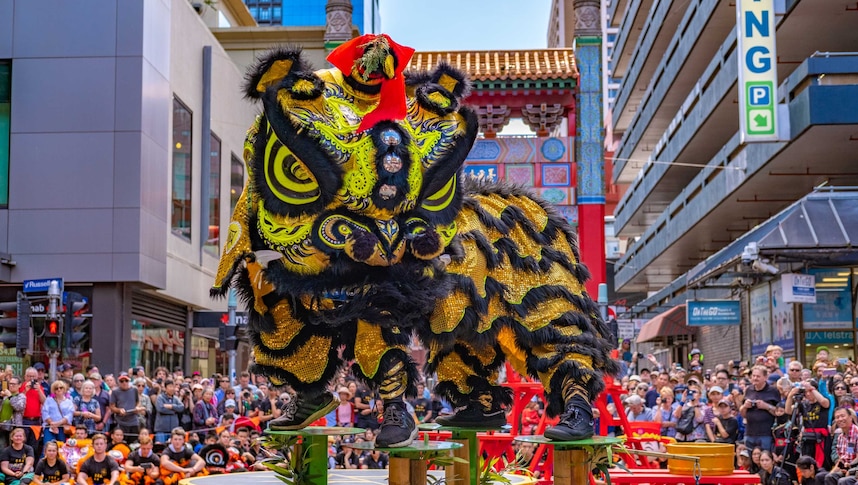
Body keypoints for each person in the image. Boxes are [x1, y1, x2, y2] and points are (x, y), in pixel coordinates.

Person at [211, 35, 618, 448]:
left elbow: (428, 170)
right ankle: (312, 393)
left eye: (381, 71)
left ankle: (569, 401)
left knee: (509, 303)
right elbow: (265, 174)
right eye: (365, 69)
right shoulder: (313, 98)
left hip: (400, 235)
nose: (372, 76)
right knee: (285, 303)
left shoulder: (409, 107)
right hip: (319, 232)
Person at [787, 379, 831, 467]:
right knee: (807, 462)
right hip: (807, 437)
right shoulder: (803, 404)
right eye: (805, 392)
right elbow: (788, 411)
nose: (807, 394)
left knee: (822, 463)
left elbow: (824, 403)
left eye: (809, 391)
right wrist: (790, 396)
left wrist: (811, 388)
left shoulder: (823, 401)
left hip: (821, 437)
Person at [743, 365, 781, 452]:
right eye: (753, 376)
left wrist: (766, 406)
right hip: (749, 433)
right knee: (750, 460)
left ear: (765, 377)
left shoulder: (773, 391)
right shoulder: (748, 390)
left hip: (765, 434)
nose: (755, 378)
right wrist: (745, 406)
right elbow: (743, 413)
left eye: (758, 376)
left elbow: (779, 412)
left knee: (765, 459)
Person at [824, 407, 858, 485]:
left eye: (842, 416)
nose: (840, 419)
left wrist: (850, 469)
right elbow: (841, 460)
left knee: (843, 481)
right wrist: (832, 472)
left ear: (850, 417)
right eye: (837, 417)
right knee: (828, 477)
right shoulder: (840, 437)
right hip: (845, 468)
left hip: (857, 469)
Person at [41, 381, 74, 448]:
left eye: (61, 388)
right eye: (56, 388)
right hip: (49, 427)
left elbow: (69, 415)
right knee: (47, 446)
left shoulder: (69, 401)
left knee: (62, 447)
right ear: (54, 390)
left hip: (62, 427)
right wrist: (52, 423)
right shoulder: (49, 400)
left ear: (64, 389)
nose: (59, 389)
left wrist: (58, 423)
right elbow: (44, 412)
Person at [110, 373, 144, 438]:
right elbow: (112, 407)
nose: (124, 383)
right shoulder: (115, 392)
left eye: (126, 381)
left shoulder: (134, 390)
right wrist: (119, 410)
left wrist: (137, 407)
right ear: (118, 382)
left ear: (129, 381)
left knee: (134, 442)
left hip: (133, 421)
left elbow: (138, 401)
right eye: (121, 381)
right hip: (121, 422)